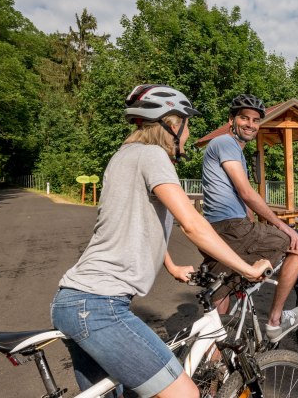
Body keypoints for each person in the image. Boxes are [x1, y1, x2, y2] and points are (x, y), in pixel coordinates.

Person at [50, 84, 271, 398]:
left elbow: (130, 223)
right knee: (186, 394)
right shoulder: (153, 156)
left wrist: (170, 264)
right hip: (100, 306)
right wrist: (246, 268)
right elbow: (192, 224)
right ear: (171, 123)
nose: (188, 130)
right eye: (187, 122)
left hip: (75, 300)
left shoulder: (124, 156)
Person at [201, 93, 298, 343]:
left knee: (221, 298)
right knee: (297, 246)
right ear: (231, 120)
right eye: (244, 118)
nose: (250, 124)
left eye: (256, 120)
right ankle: (275, 322)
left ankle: (212, 366)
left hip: (216, 231)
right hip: (232, 229)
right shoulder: (225, 143)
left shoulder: (230, 149)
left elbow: (243, 203)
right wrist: (284, 227)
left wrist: (256, 220)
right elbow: (246, 192)